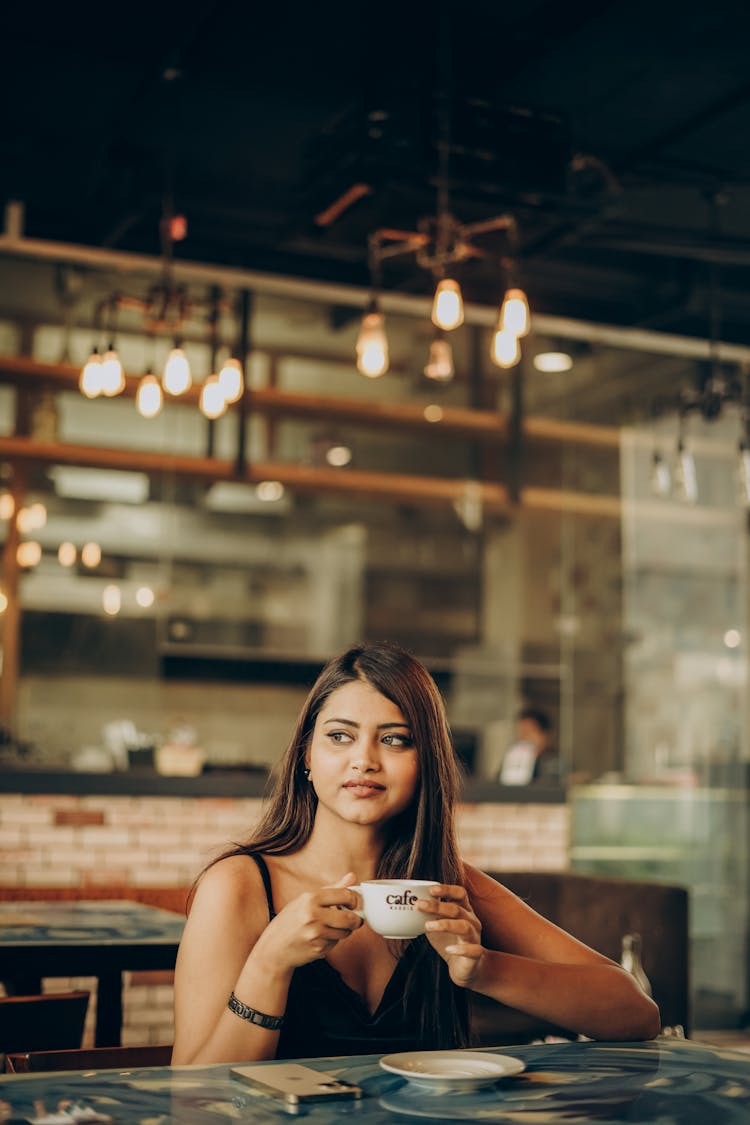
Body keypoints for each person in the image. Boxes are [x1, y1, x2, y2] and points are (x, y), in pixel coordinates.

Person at [172, 642, 659, 1064]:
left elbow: (636, 1013)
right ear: (306, 756)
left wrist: (483, 968)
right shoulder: (238, 886)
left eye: (394, 739)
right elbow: (192, 1097)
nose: (363, 758)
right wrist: (269, 963)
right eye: (339, 736)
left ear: (426, 762)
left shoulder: (450, 888)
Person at [500, 707, 561, 786]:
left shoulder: (555, 762)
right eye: (520, 732)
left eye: (528, 732)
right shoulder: (512, 759)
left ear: (544, 734)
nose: (523, 737)